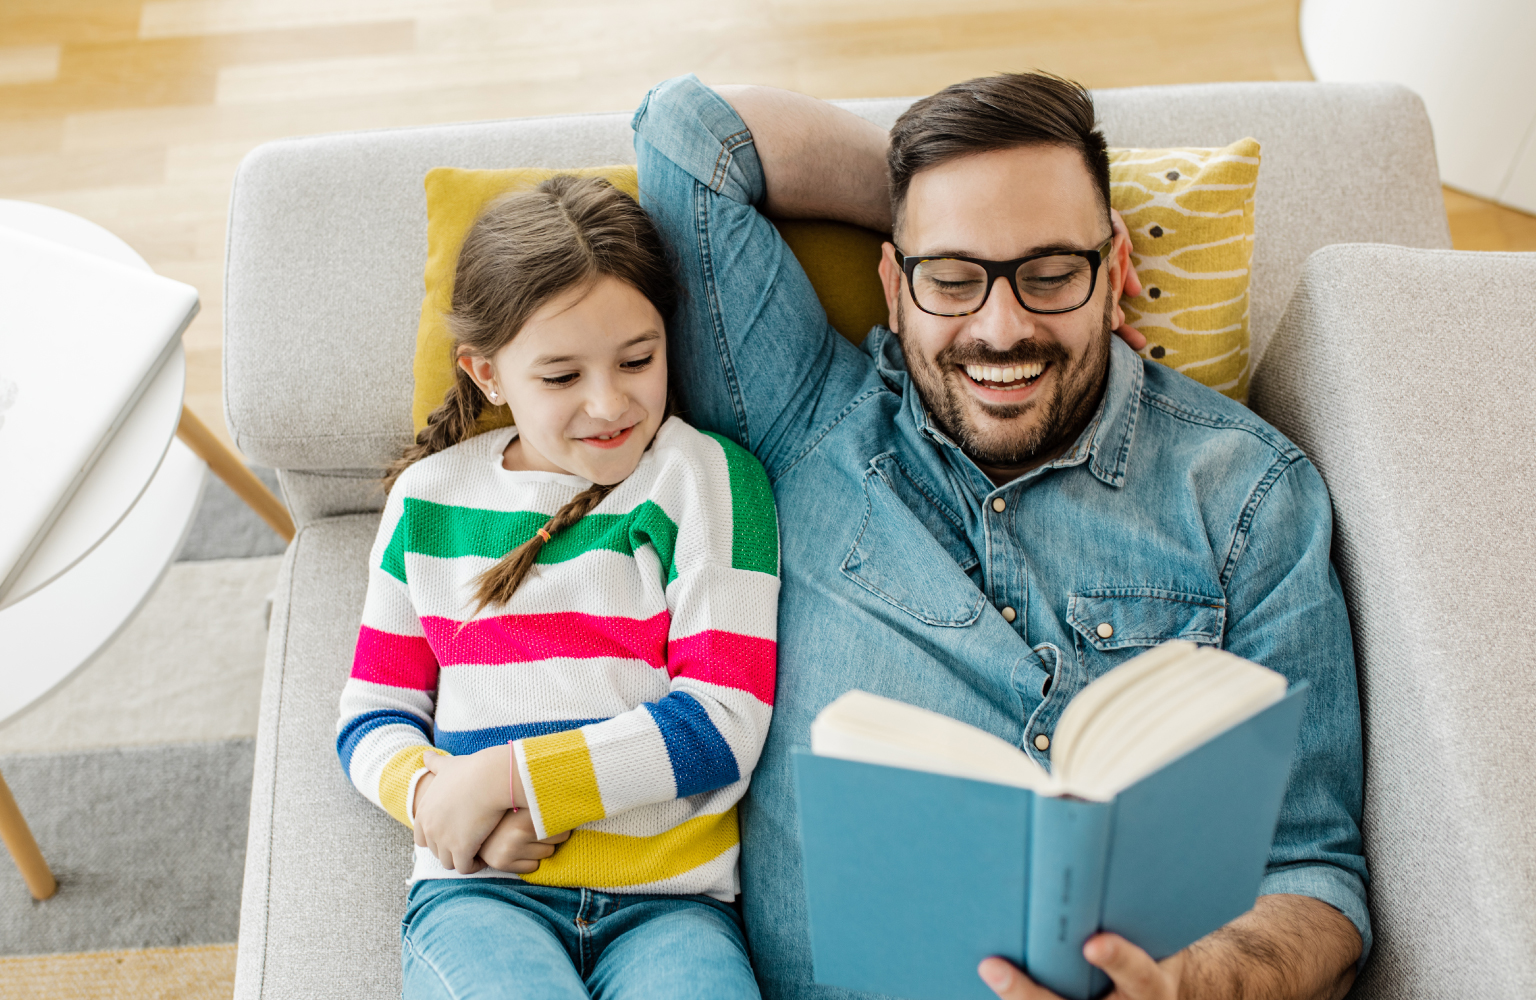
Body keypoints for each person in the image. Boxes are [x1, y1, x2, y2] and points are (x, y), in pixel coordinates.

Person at [631, 73, 1368, 1000]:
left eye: (1053, 273)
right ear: (892, 286)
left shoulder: (1248, 492)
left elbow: (1316, 873)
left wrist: (1197, 983)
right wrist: (920, 195)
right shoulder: (804, 421)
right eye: (953, 278)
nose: (1003, 327)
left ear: (1114, 273)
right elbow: (688, 137)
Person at [334, 176, 781, 1000]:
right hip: (478, 897)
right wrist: (441, 805)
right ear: (489, 374)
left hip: (672, 911)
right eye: (561, 377)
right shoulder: (427, 500)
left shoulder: (710, 479)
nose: (609, 403)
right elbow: (372, 718)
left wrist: (502, 780)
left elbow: (721, 723)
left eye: (638, 360)